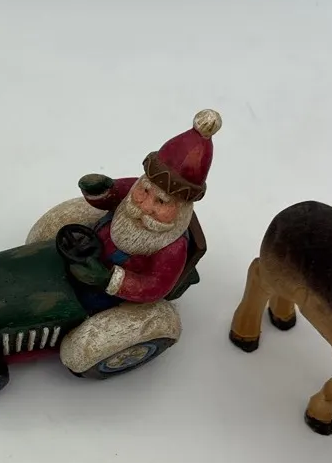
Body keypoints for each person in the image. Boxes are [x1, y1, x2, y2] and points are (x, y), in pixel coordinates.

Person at [67, 109, 221, 313]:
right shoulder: (133, 189)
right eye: (145, 191)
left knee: (78, 306)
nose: (145, 207)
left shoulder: (173, 249)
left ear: (181, 209)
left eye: (161, 201)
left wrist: (109, 279)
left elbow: (156, 285)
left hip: (106, 292)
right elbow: (113, 193)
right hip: (83, 249)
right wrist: (100, 189)